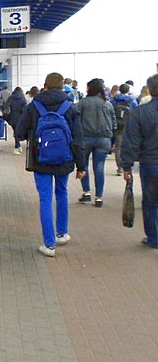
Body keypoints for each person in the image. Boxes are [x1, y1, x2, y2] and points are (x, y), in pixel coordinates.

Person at [15, 72, 86, 257]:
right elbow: (78, 139)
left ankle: (49, 245)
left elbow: (20, 133)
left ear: (45, 86)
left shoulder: (34, 106)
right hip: (65, 160)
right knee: (62, 193)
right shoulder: (70, 107)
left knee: (45, 199)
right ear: (63, 87)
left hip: (41, 160)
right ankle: (62, 234)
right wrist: (82, 166)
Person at [120, 74, 158, 249]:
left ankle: (154, 238)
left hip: (150, 163)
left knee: (150, 202)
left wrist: (126, 166)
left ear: (149, 90)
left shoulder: (139, 112)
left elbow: (131, 141)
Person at [75, 78, 116, 207]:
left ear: (90, 88)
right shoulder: (108, 104)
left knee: (84, 165)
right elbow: (113, 123)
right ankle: (99, 197)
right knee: (99, 167)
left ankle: (86, 192)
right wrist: (112, 140)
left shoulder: (83, 103)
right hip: (104, 139)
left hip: (85, 138)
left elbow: (76, 120)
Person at [112, 83, 139, 175]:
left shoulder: (114, 100)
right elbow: (136, 113)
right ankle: (127, 166)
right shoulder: (132, 101)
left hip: (118, 125)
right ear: (128, 90)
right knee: (128, 146)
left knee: (118, 146)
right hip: (129, 125)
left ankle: (119, 167)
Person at [4, 87, 28, 154]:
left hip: (11, 118)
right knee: (17, 133)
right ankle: (16, 148)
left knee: (16, 132)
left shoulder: (10, 98)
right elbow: (25, 110)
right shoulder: (22, 99)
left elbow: (6, 107)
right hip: (20, 118)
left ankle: (18, 146)